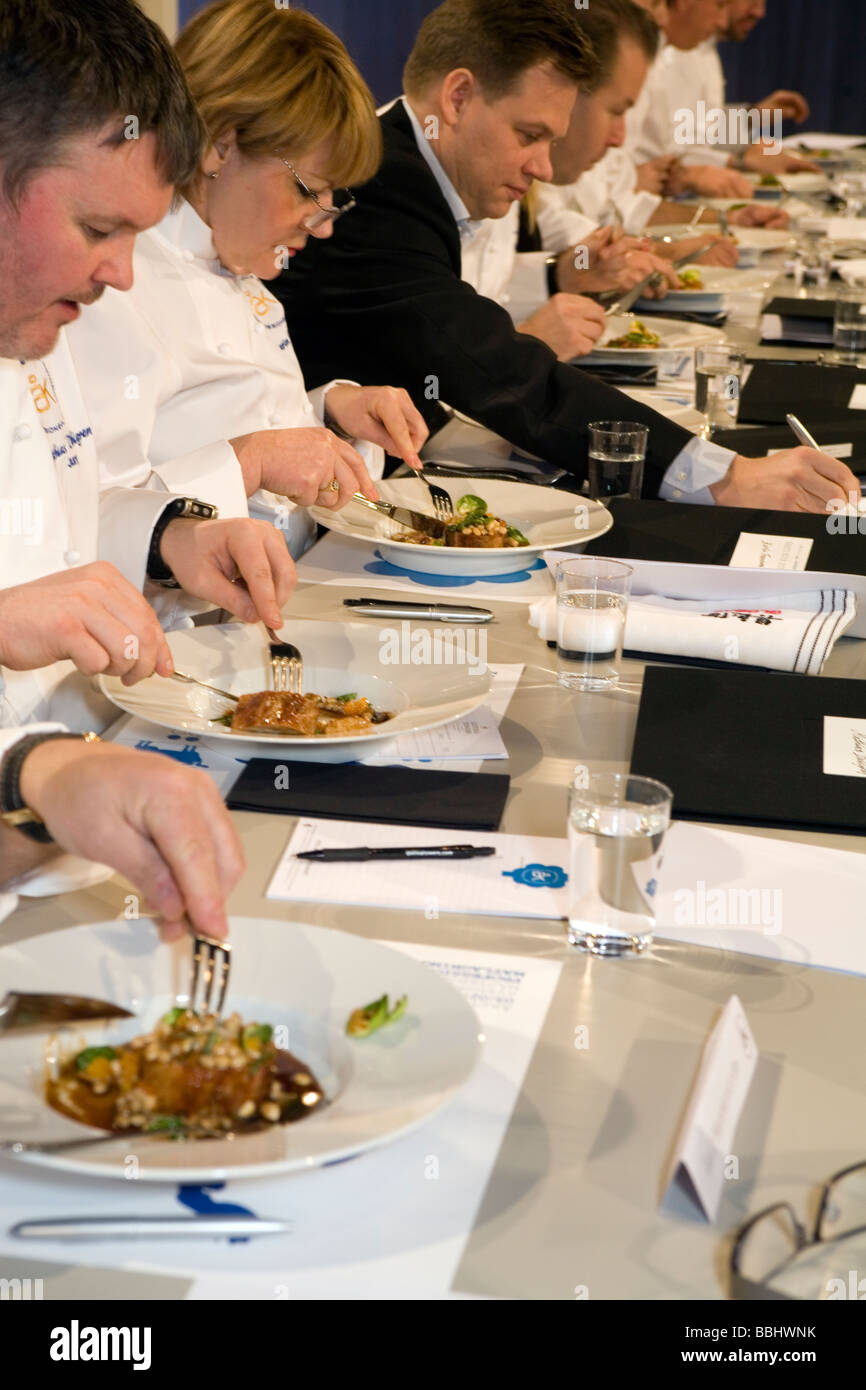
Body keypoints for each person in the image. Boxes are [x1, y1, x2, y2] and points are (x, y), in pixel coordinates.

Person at [276, 0, 858, 513]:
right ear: (458, 98)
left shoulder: (424, 168)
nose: (544, 167)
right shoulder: (383, 185)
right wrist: (723, 479)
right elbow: (498, 371)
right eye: (529, 135)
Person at [0, 0, 301, 937]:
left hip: (68, 822)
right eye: (98, 227)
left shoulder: (34, 328)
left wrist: (173, 537)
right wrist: (34, 771)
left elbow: (67, 525)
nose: (124, 274)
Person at [66, 0, 428, 559]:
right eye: (309, 192)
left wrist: (328, 412)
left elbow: (227, 425)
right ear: (220, 146)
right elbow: (82, 523)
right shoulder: (110, 286)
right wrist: (247, 461)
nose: (323, 225)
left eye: (334, 198)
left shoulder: (241, 269)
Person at [626, 0, 816, 192]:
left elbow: (693, 132)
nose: (760, 12)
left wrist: (752, 117)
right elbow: (667, 149)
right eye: (721, 5)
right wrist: (737, 161)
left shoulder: (695, 46)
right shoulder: (672, 50)